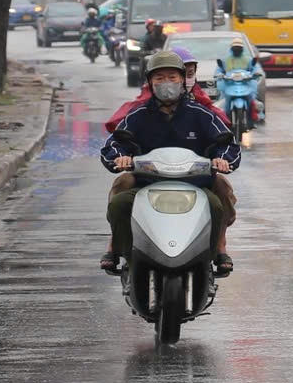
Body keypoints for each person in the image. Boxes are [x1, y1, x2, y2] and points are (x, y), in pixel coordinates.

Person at [100, 50, 239, 276]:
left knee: (218, 200)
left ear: (183, 80)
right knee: (119, 200)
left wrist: (222, 160)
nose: (166, 83)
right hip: (145, 183)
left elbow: (228, 144)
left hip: (197, 184)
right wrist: (120, 158)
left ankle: (216, 250)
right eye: (159, 78)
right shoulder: (138, 115)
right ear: (150, 83)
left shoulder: (201, 114)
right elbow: (114, 144)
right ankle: (121, 249)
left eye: (172, 77)